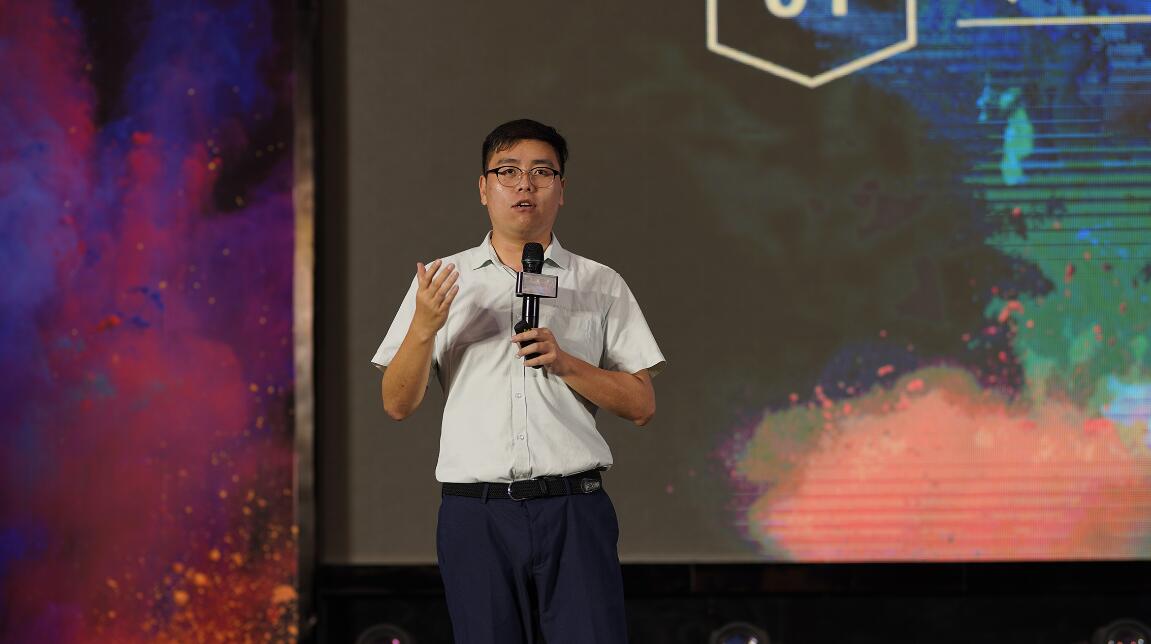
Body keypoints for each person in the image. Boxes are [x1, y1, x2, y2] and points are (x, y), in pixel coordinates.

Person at [371, 118, 665, 644]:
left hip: (573, 509)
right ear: (484, 189)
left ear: (561, 189)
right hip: (476, 515)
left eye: (541, 172)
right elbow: (397, 404)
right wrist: (424, 327)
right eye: (507, 171)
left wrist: (566, 363)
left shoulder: (600, 283)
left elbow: (641, 405)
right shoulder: (442, 281)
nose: (524, 184)